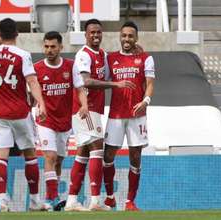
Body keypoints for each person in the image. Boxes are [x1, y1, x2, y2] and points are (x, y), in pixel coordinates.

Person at [64, 19, 136, 211]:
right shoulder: (83, 55)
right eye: (92, 32)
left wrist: (136, 49)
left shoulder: (102, 55)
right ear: (86, 35)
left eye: (98, 32)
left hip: (95, 109)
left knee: (83, 153)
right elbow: (86, 81)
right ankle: (95, 201)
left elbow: (111, 70)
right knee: (97, 149)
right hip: (83, 108)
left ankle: (71, 200)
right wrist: (115, 85)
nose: (95, 36)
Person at [0, 18, 47, 212]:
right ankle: (35, 201)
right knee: (30, 154)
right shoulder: (23, 55)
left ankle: (3, 200)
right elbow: (32, 82)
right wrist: (42, 104)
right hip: (20, 112)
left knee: (1, 156)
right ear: (17, 34)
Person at [103, 21, 155, 211]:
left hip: (137, 115)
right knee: (108, 156)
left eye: (130, 36)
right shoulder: (110, 59)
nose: (126, 39)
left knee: (135, 156)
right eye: (124, 35)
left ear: (136, 38)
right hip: (115, 114)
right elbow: (102, 81)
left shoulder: (146, 58)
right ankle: (110, 197)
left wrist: (145, 102)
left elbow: (150, 84)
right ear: (120, 36)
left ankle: (130, 201)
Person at [34, 31, 88, 211]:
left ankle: (52, 197)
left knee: (59, 161)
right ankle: (52, 198)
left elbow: (80, 89)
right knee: (50, 156)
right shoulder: (37, 68)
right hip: (45, 120)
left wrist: (84, 106)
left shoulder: (70, 66)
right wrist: (37, 106)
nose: (49, 50)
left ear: (60, 47)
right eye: (46, 46)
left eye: (53, 47)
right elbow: (31, 93)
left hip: (65, 122)